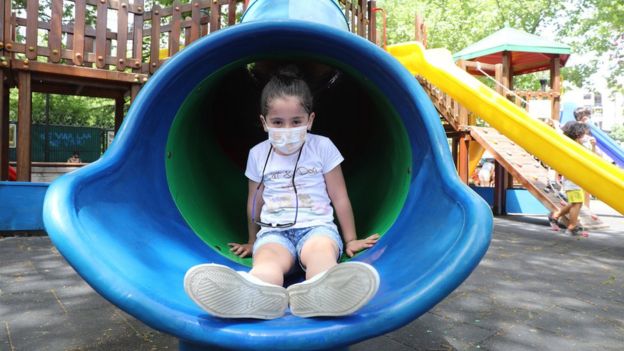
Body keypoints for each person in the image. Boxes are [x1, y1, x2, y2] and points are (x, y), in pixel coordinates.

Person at [184, 66, 380, 319]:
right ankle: (253, 293)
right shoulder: (258, 154)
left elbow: (339, 195)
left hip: (317, 227)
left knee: (320, 254)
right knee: (267, 261)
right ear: (264, 122)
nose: (287, 129)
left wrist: (350, 238)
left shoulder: (322, 147)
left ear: (310, 120)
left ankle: (321, 292)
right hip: (274, 230)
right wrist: (253, 241)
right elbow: (254, 201)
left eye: (296, 122)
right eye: (278, 122)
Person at [548, 122, 590, 237]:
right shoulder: (570, 146)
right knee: (577, 203)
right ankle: (571, 227)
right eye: (584, 135)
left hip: (577, 178)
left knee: (576, 203)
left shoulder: (580, 146)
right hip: (572, 178)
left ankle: (555, 215)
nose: (585, 137)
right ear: (577, 134)